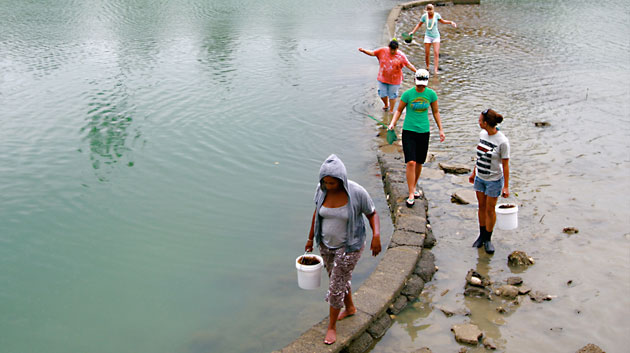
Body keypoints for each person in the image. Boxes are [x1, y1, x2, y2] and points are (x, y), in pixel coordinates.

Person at [305, 154, 381, 345]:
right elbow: (317, 212)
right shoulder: (321, 190)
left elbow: (372, 213)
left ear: (341, 180)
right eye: (325, 182)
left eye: (332, 183)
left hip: (350, 246)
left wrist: (376, 236)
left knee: (336, 285)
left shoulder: (356, 192)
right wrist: (309, 238)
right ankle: (350, 308)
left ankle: (331, 327)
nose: (329, 186)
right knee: (337, 278)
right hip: (326, 244)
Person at [388, 69, 445, 207]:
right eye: (419, 83)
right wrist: (392, 123)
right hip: (409, 131)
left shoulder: (431, 94)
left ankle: (413, 186)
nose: (421, 86)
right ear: (415, 80)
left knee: (419, 162)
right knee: (411, 162)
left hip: (424, 131)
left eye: (423, 84)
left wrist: (441, 130)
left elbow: (436, 112)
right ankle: (411, 193)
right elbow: (399, 110)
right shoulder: (408, 94)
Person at [468, 109, 510, 254]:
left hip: (494, 180)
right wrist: (474, 173)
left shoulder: (502, 142)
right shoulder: (482, 134)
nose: (478, 122)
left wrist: (506, 187)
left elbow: (505, 165)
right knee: (481, 206)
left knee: (490, 209)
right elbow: (480, 156)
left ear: (486, 123)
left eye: (480, 120)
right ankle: (481, 235)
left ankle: (488, 239)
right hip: (480, 177)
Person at [358, 39, 417, 112]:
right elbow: (373, 53)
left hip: (395, 80)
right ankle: (386, 104)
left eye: (394, 50)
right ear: (389, 47)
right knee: (382, 94)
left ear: (397, 49)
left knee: (392, 96)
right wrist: (364, 51)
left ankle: (391, 110)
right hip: (383, 78)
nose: (392, 52)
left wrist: (416, 71)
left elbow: (408, 65)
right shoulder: (383, 51)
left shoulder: (401, 56)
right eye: (391, 49)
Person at [408, 3, 457, 75]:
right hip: (428, 36)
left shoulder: (437, 15)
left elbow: (442, 21)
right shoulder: (424, 17)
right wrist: (412, 32)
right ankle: (427, 67)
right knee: (427, 53)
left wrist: (450, 22)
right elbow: (419, 24)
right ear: (427, 11)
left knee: (436, 53)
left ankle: (435, 70)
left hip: (436, 36)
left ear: (433, 10)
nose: (430, 12)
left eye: (431, 10)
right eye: (429, 10)